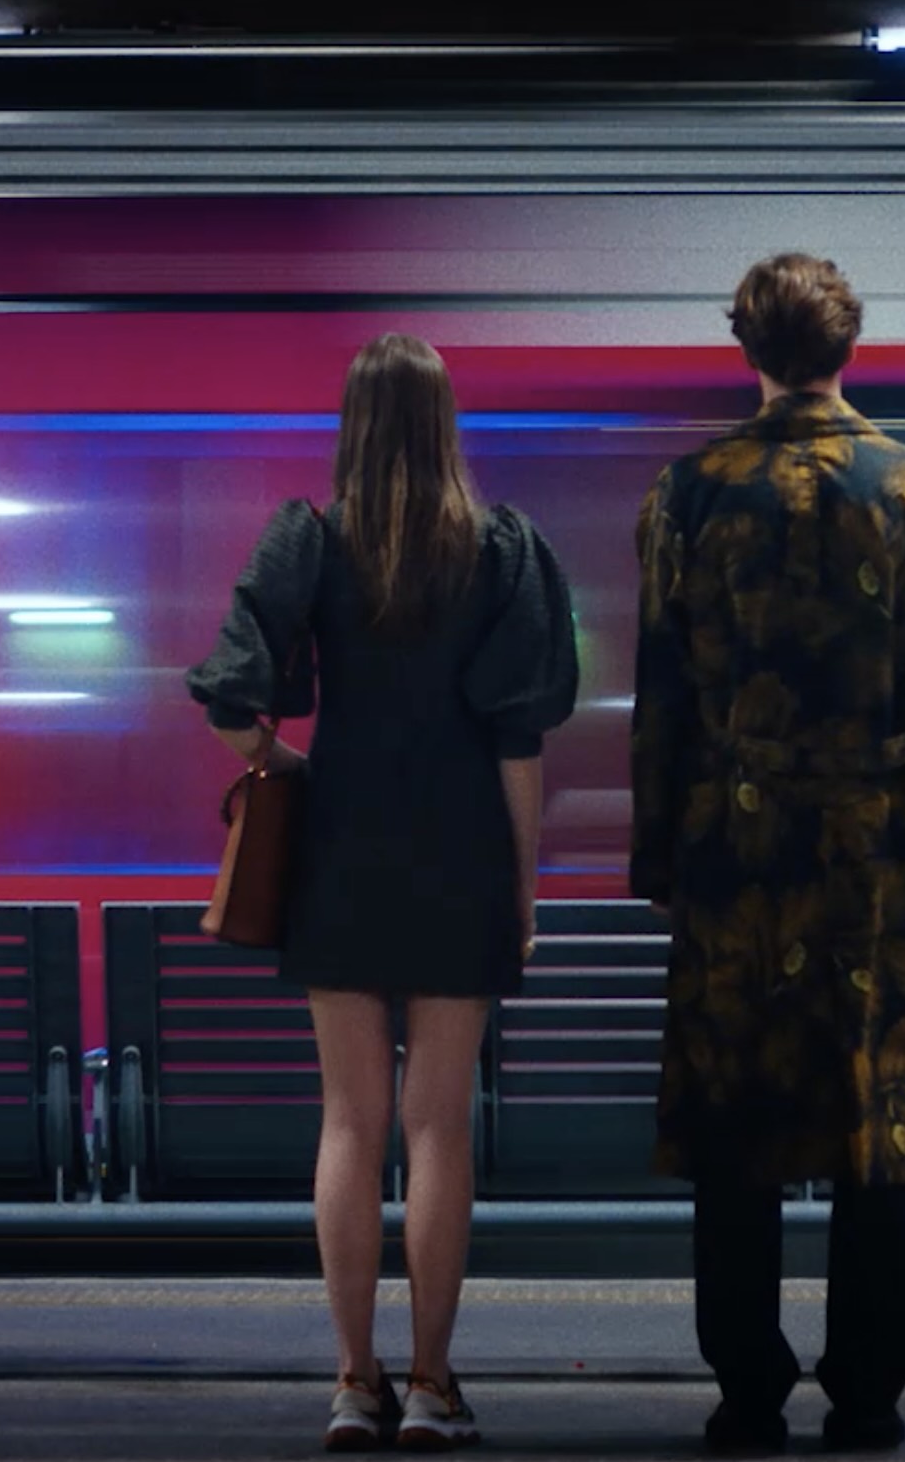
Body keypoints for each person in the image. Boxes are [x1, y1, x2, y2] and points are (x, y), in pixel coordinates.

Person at [186, 331, 580, 1453]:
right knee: (438, 1126)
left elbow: (229, 698)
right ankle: (431, 1386)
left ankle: (354, 1381)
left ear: (352, 427)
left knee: (350, 1121)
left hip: (343, 852)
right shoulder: (502, 551)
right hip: (461, 853)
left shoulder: (311, 540)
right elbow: (519, 741)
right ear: (445, 424)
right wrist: (522, 887)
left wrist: (293, 768)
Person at [630, 254, 905, 1454]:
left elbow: (663, 697)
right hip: (875, 850)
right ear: (848, 347)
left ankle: (747, 1388)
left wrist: (662, 859)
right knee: (875, 1121)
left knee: (738, 1122)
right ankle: (869, 1391)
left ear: (747, 349)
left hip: (734, 848)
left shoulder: (687, 494)